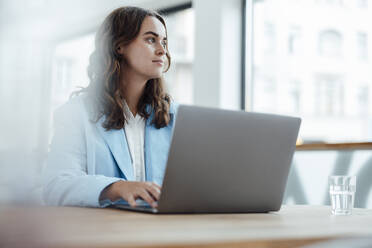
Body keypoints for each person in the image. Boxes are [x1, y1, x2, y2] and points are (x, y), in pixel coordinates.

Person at [42, 6, 177, 208]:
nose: (162, 50)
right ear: (119, 46)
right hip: (102, 233)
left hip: (163, 230)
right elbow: (56, 185)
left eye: (164, 42)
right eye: (151, 39)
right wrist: (116, 188)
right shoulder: (76, 113)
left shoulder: (173, 116)